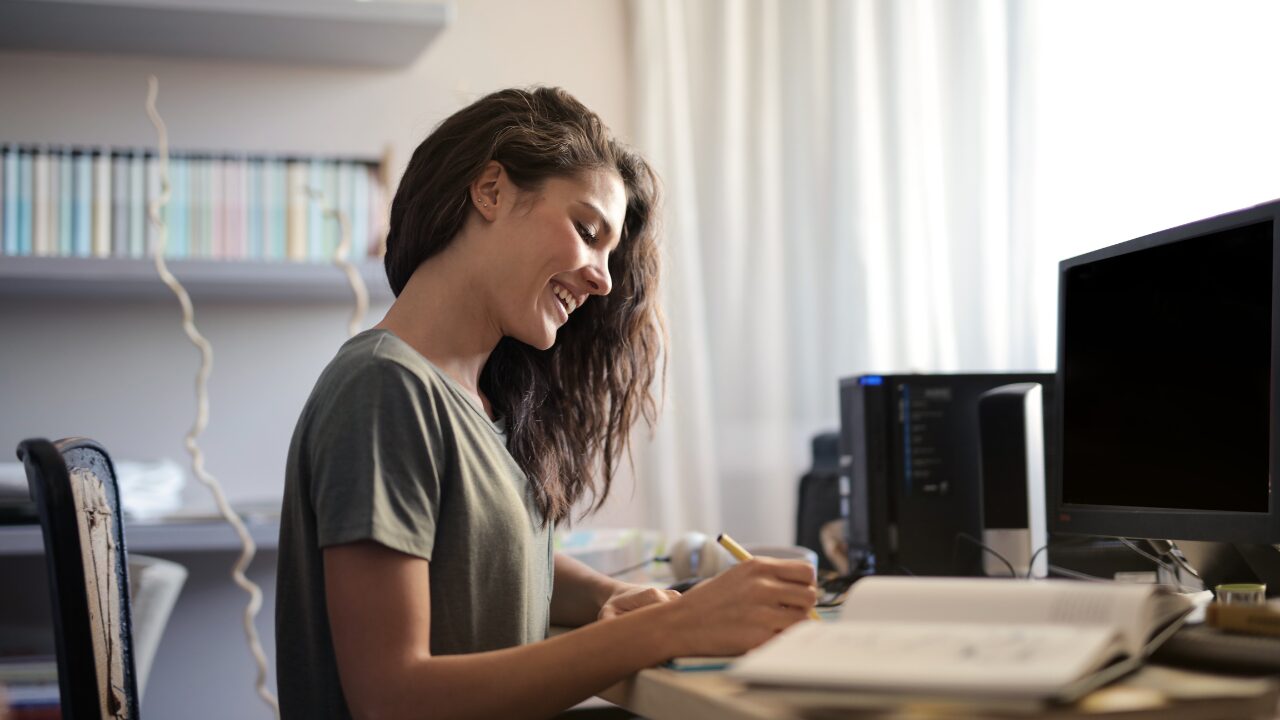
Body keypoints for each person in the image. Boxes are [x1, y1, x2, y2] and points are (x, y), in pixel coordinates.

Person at [275, 86, 818, 720]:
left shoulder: (473, 401)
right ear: (491, 191)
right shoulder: (384, 389)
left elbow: (487, 557)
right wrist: (669, 631)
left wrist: (619, 597)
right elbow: (393, 697)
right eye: (588, 231)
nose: (604, 279)